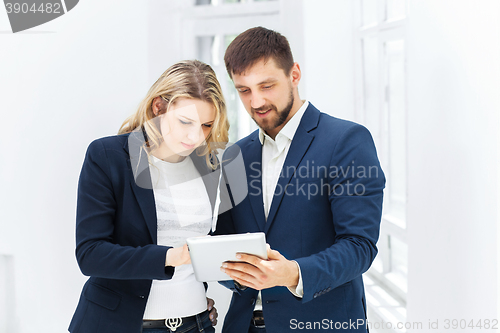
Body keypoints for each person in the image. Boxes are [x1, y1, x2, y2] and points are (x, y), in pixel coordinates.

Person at [214, 27, 386, 332]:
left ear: (294, 74)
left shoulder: (347, 141)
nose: (256, 102)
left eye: (267, 85)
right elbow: (225, 243)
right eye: (244, 90)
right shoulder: (235, 157)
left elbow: (359, 246)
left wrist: (291, 273)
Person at [69, 60, 229, 333]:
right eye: (185, 122)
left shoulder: (209, 163)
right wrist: (170, 257)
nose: (196, 137)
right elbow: (91, 254)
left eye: (206, 125)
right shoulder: (108, 156)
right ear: (158, 107)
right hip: (122, 325)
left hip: (197, 324)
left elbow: (208, 246)